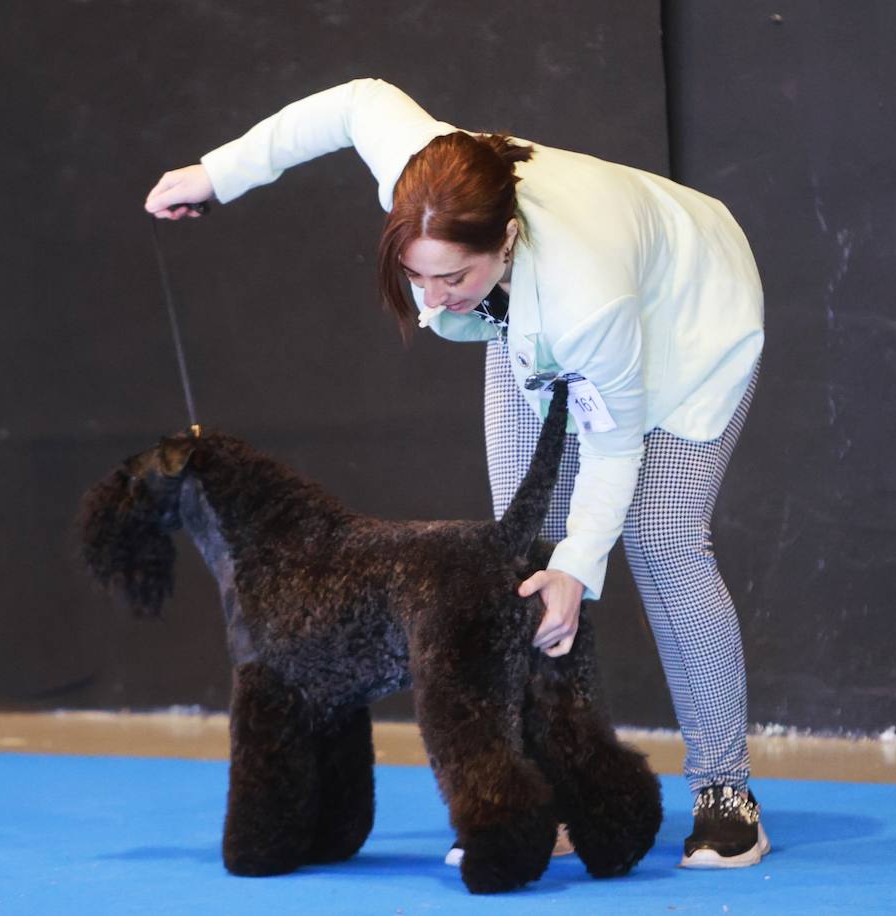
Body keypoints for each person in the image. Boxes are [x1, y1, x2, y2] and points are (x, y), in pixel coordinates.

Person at [144, 78, 768, 869]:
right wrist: (215, 174)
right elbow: (351, 102)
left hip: (689, 317)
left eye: (452, 282)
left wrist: (580, 565)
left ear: (504, 241)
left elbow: (615, 446)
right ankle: (539, 792)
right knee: (517, 561)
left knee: (658, 536)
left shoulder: (588, 298)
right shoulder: (424, 171)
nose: (433, 302)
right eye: (415, 277)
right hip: (534, 316)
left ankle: (725, 791)